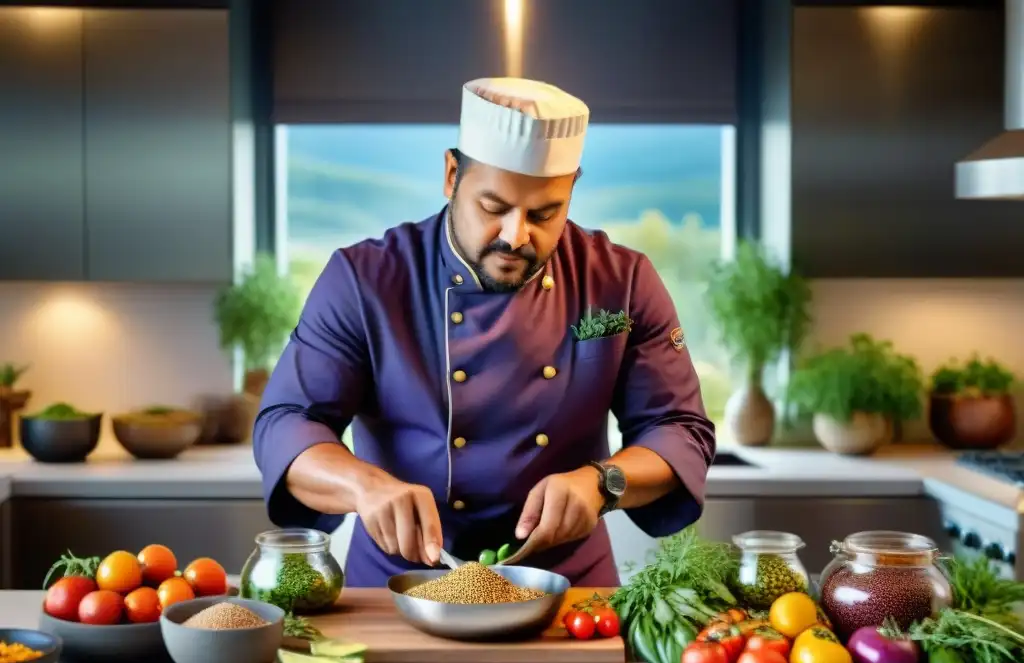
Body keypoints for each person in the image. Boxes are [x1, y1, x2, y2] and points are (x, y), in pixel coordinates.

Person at [253, 76, 716, 588]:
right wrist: (363, 485)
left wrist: (603, 482)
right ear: (452, 175)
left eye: (544, 214)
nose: (516, 236)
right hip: (400, 589)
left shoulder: (621, 280)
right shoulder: (364, 279)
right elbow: (286, 422)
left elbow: (679, 428)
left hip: (568, 593)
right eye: (493, 207)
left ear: (572, 190)